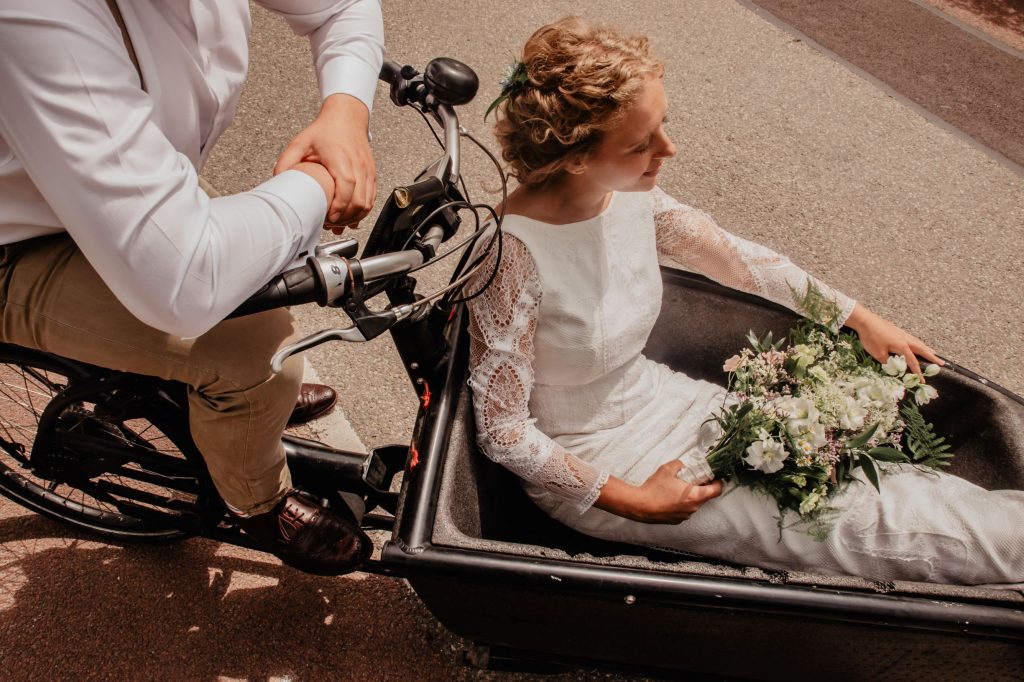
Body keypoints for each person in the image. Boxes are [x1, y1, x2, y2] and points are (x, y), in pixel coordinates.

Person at [467, 16, 1024, 586]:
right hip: (601, 463)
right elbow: (502, 427)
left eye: (664, 125)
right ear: (576, 157)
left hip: (665, 400)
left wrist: (855, 317)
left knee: (857, 479)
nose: (669, 149)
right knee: (845, 525)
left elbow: (740, 260)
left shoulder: (629, 194)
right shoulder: (511, 255)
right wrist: (633, 500)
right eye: (642, 144)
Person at [0, 0, 384, 574]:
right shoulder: (29, 15)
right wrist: (321, 178)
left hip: (122, 185)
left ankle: (231, 406)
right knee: (254, 350)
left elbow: (344, 3)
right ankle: (255, 503)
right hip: (18, 241)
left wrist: (345, 114)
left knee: (258, 278)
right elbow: (186, 281)